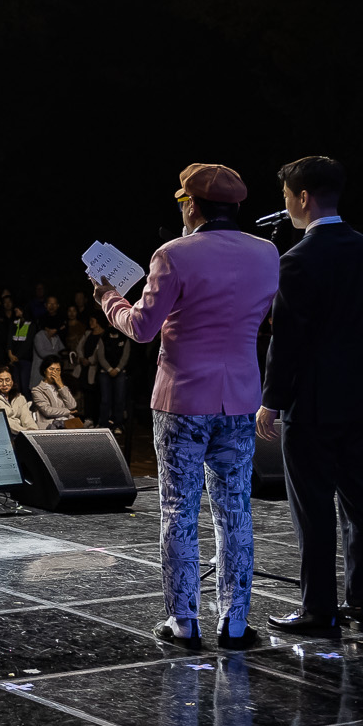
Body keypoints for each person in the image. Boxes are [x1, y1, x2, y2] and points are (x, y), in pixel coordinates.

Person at [95, 162, 281, 651]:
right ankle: (235, 624)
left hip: (181, 400)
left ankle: (183, 621)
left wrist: (110, 298)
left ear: (192, 205)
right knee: (235, 509)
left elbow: (141, 328)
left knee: (179, 510)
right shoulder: (267, 254)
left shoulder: (173, 254)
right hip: (240, 398)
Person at [255, 156, 363, 637]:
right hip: (357, 397)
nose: (287, 205)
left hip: (310, 403)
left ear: (303, 197)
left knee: (312, 507)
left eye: (288, 197)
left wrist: (271, 399)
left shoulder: (297, 260)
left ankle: (319, 610)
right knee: (359, 501)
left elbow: (286, 341)